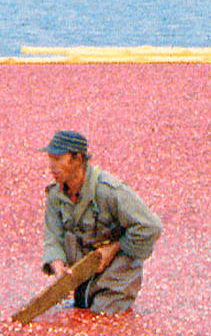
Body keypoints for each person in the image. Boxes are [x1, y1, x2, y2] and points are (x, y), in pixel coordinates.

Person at [39, 129, 163, 315]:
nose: (51, 166)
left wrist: (113, 248)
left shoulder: (109, 191)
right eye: (50, 159)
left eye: (58, 159)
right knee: (81, 320)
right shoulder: (56, 196)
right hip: (83, 277)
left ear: (78, 159)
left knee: (102, 323)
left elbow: (150, 227)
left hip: (117, 278)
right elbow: (53, 236)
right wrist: (58, 266)